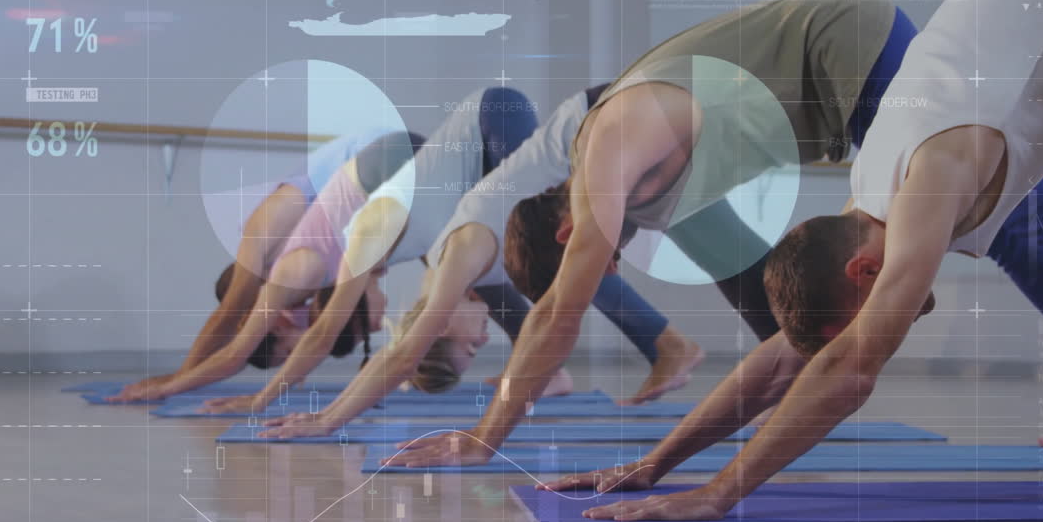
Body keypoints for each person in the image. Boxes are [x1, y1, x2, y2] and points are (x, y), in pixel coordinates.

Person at [540, 0, 1043, 522]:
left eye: (855, 320)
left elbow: (850, 371)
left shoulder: (925, 184)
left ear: (861, 271)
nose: (873, 331)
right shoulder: (876, 191)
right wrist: (655, 465)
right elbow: (782, 364)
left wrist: (718, 494)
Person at [381, 0, 916, 468]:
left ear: (570, 236)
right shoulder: (648, 195)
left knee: (918, 260)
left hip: (851, 47)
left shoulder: (609, 159)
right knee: (845, 294)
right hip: (843, 86)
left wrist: (483, 440)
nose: (614, 268)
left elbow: (556, 316)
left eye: (604, 263)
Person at [252, 86, 707, 439]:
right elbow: (415, 349)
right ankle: (633, 353)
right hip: (562, 134)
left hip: (504, 117)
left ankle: (665, 341)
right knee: (552, 267)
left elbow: (396, 353)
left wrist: (321, 417)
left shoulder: (438, 253)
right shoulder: (461, 261)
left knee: (564, 261)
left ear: (442, 324)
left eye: (471, 348)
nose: (481, 341)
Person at [196, 87, 569, 415]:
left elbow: (321, 335)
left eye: (471, 346)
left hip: (419, 148)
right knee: (538, 256)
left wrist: (179, 384)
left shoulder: (296, 261)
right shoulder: (434, 250)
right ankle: (548, 367)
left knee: (559, 254)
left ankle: (549, 367)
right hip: (418, 168)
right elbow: (365, 345)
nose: (485, 340)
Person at [111, 130, 421, 401]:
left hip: (383, 154)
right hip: (386, 167)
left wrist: (176, 380)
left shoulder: (264, 242)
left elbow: (230, 324)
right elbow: (264, 340)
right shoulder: (298, 284)